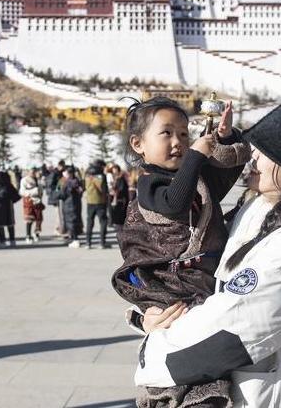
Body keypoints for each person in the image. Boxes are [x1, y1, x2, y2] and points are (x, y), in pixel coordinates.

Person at [126, 98, 281, 408]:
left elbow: (231, 331)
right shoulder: (259, 207)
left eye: (263, 153)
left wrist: (154, 351)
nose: (251, 157)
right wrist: (152, 314)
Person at [112, 96, 249, 407]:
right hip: (172, 292)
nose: (178, 142)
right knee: (180, 373)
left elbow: (227, 173)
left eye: (185, 134)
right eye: (167, 133)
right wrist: (196, 157)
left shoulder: (194, 177)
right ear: (138, 144)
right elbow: (174, 203)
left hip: (201, 291)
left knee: (209, 377)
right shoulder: (150, 185)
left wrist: (224, 139)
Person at [84, 161, 110, 249]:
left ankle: (88, 242)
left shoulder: (87, 177)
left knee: (90, 222)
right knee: (103, 222)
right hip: (100, 202)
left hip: (90, 202)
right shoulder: (102, 177)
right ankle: (102, 243)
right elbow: (104, 189)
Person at [58, 166, 84, 248]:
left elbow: (64, 193)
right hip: (74, 204)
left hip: (70, 204)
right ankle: (73, 238)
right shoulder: (76, 181)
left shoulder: (70, 182)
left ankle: (75, 240)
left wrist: (57, 194)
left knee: (72, 222)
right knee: (72, 221)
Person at [20, 166, 45, 243]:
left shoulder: (39, 180)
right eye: (31, 171)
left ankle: (36, 234)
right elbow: (22, 192)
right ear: (28, 171)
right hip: (29, 201)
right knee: (29, 219)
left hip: (38, 201)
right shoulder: (24, 180)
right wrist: (33, 192)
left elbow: (41, 189)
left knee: (39, 219)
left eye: (34, 171)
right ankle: (28, 236)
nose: (33, 173)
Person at [46, 160, 66, 235]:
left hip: (60, 196)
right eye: (62, 166)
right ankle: (57, 229)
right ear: (59, 166)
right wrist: (57, 191)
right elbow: (50, 186)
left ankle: (60, 228)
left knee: (61, 214)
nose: (63, 168)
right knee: (58, 214)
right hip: (56, 197)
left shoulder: (60, 173)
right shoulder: (54, 174)